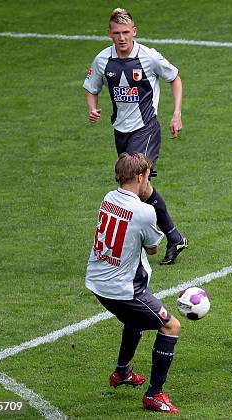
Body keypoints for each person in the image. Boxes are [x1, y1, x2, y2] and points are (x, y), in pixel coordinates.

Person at [83, 8, 188, 265]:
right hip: (120, 131)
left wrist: (176, 114)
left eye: (126, 32)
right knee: (141, 189)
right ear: (109, 34)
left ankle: (144, 242)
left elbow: (175, 79)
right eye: (116, 33)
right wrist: (92, 108)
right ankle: (174, 236)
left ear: (134, 32)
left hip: (146, 129)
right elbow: (91, 88)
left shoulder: (148, 57)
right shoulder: (102, 60)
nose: (121, 37)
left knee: (132, 185)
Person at [85, 152, 181, 413]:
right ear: (139, 176)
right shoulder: (144, 211)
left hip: (97, 281)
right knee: (171, 326)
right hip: (122, 289)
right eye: (148, 176)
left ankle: (122, 372)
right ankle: (155, 394)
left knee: (135, 320)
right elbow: (152, 249)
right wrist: (148, 196)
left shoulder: (108, 198)